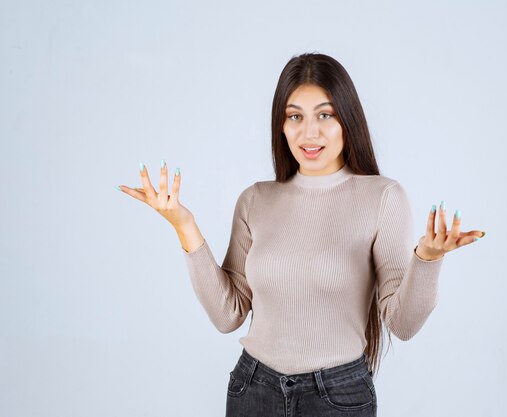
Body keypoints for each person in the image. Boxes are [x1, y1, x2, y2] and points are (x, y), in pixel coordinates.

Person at [117, 52, 485, 416]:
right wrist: (184, 225)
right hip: (253, 390)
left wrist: (427, 260)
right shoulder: (256, 199)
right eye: (295, 116)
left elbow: (402, 324)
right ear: (281, 124)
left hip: (337, 397)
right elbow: (227, 314)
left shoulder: (383, 197)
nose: (310, 132)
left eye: (325, 115)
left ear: (348, 120)